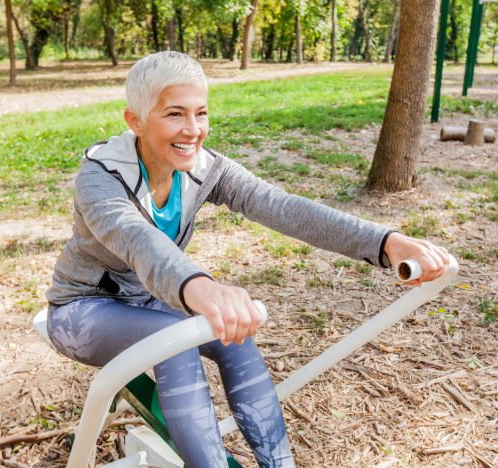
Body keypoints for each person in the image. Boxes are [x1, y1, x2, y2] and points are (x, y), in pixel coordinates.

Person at [46, 51, 450, 467]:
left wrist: (386, 242)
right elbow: (136, 239)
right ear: (135, 121)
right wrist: (199, 286)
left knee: (232, 338)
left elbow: (281, 206)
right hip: (82, 310)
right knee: (174, 346)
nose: (193, 129)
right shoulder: (101, 175)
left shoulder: (204, 169)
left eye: (201, 112)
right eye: (174, 114)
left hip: (151, 301)